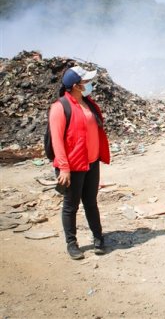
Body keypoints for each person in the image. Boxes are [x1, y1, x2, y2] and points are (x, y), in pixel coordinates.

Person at [49, 66, 110, 260]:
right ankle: (72, 243)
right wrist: (63, 168)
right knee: (71, 205)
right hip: (72, 166)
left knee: (91, 202)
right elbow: (57, 140)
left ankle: (98, 238)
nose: (89, 84)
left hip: (91, 162)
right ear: (76, 86)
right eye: (86, 82)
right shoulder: (60, 107)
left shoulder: (89, 103)